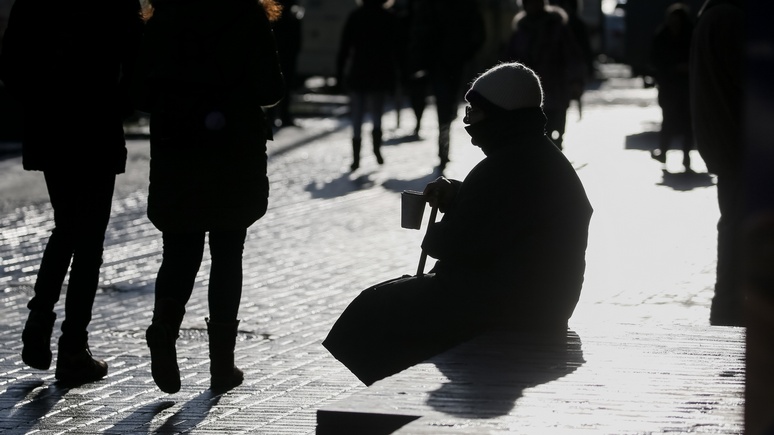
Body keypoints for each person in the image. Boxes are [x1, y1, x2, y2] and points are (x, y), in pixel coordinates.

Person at [323, 62, 593, 386]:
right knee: (389, 299)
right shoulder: (531, 155)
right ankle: (392, 387)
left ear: (499, 115)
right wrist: (460, 195)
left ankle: (390, 394)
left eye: (474, 112)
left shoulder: (508, 165)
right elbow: (501, 214)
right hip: (538, 297)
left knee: (376, 310)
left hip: (516, 304)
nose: (467, 122)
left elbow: (451, 244)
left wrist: (438, 224)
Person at [132, 0, 285, 394]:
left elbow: (141, 93)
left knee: (179, 250)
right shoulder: (246, 13)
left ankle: (164, 326)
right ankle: (222, 366)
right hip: (233, 147)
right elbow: (270, 89)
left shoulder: (166, 14)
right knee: (228, 253)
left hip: (177, 146)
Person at [0, 0, 143, 385]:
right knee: (89, 239)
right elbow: (137, 60)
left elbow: (11, 64)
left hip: (51, 122)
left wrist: (40, 99)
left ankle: (40, 317)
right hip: (96, 122)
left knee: (67, 225)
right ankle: (73, 347)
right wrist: (118, 104)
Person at [689, 0, 744, 326]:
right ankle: (728, 311)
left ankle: (727, 309)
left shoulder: (713, 16)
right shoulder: (729, 19)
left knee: (735, 223)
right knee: (739, 226)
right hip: (741, 141)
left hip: (726, 140)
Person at [407, 0, 486, 170]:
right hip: (451, 62)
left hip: (441, 62)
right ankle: (444, 146)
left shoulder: (431, 6)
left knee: (445, 107)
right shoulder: (463, 6)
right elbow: (478, 33)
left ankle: (443, 146)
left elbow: (419, 32)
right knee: (447, 106)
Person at [503, 0, 585, 150]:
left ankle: (554, 156)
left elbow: (572, 56)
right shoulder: (521, 32)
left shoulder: (557, 28)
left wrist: (576, 81)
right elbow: (510, 62)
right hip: (528, 94)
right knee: (534, 133)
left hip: (556, 89)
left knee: (555, 131)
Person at [336, 0, 400, 171]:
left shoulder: (356, 16)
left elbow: (344, 47)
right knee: (377, 114)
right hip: (379, 73)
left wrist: (340, 74)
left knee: (357, 116)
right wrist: (395, 79)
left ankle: (356, 158)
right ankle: (376, 150)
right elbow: (396, 50)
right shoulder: (388, 18)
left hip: (359, 72)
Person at [650, 3, 695, 172]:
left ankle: (685, 156)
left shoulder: (689, 34)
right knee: (669, 119)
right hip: (670, 84)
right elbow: (655, 58)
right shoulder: (664, 35)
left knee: (685, 122)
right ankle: (664, 152)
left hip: (684, 85)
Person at [268, 0, 304, 129]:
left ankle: (272, 116)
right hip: (288, 55)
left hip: (278, 54)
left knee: (274, 85)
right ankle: (283, 116)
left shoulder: (275, 13)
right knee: (285, 86)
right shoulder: (292, 14)